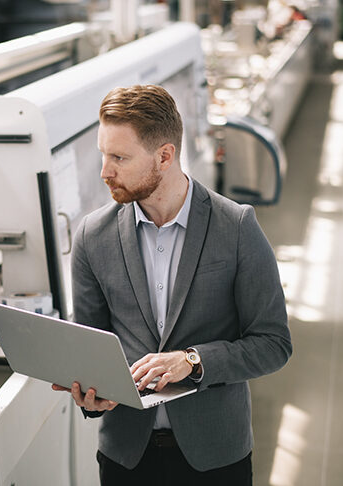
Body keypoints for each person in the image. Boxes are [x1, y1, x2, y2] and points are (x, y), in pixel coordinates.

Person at [52, 85, 292, 485]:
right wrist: (92, 395)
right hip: (126, 457)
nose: (104, 171)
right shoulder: (93, 236)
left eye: (119, 158)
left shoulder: (235, 227)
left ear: (164, 156)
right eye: (103, 154)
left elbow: (273, 343)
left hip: (215, 456)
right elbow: (92, 342)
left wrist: (193, 361)